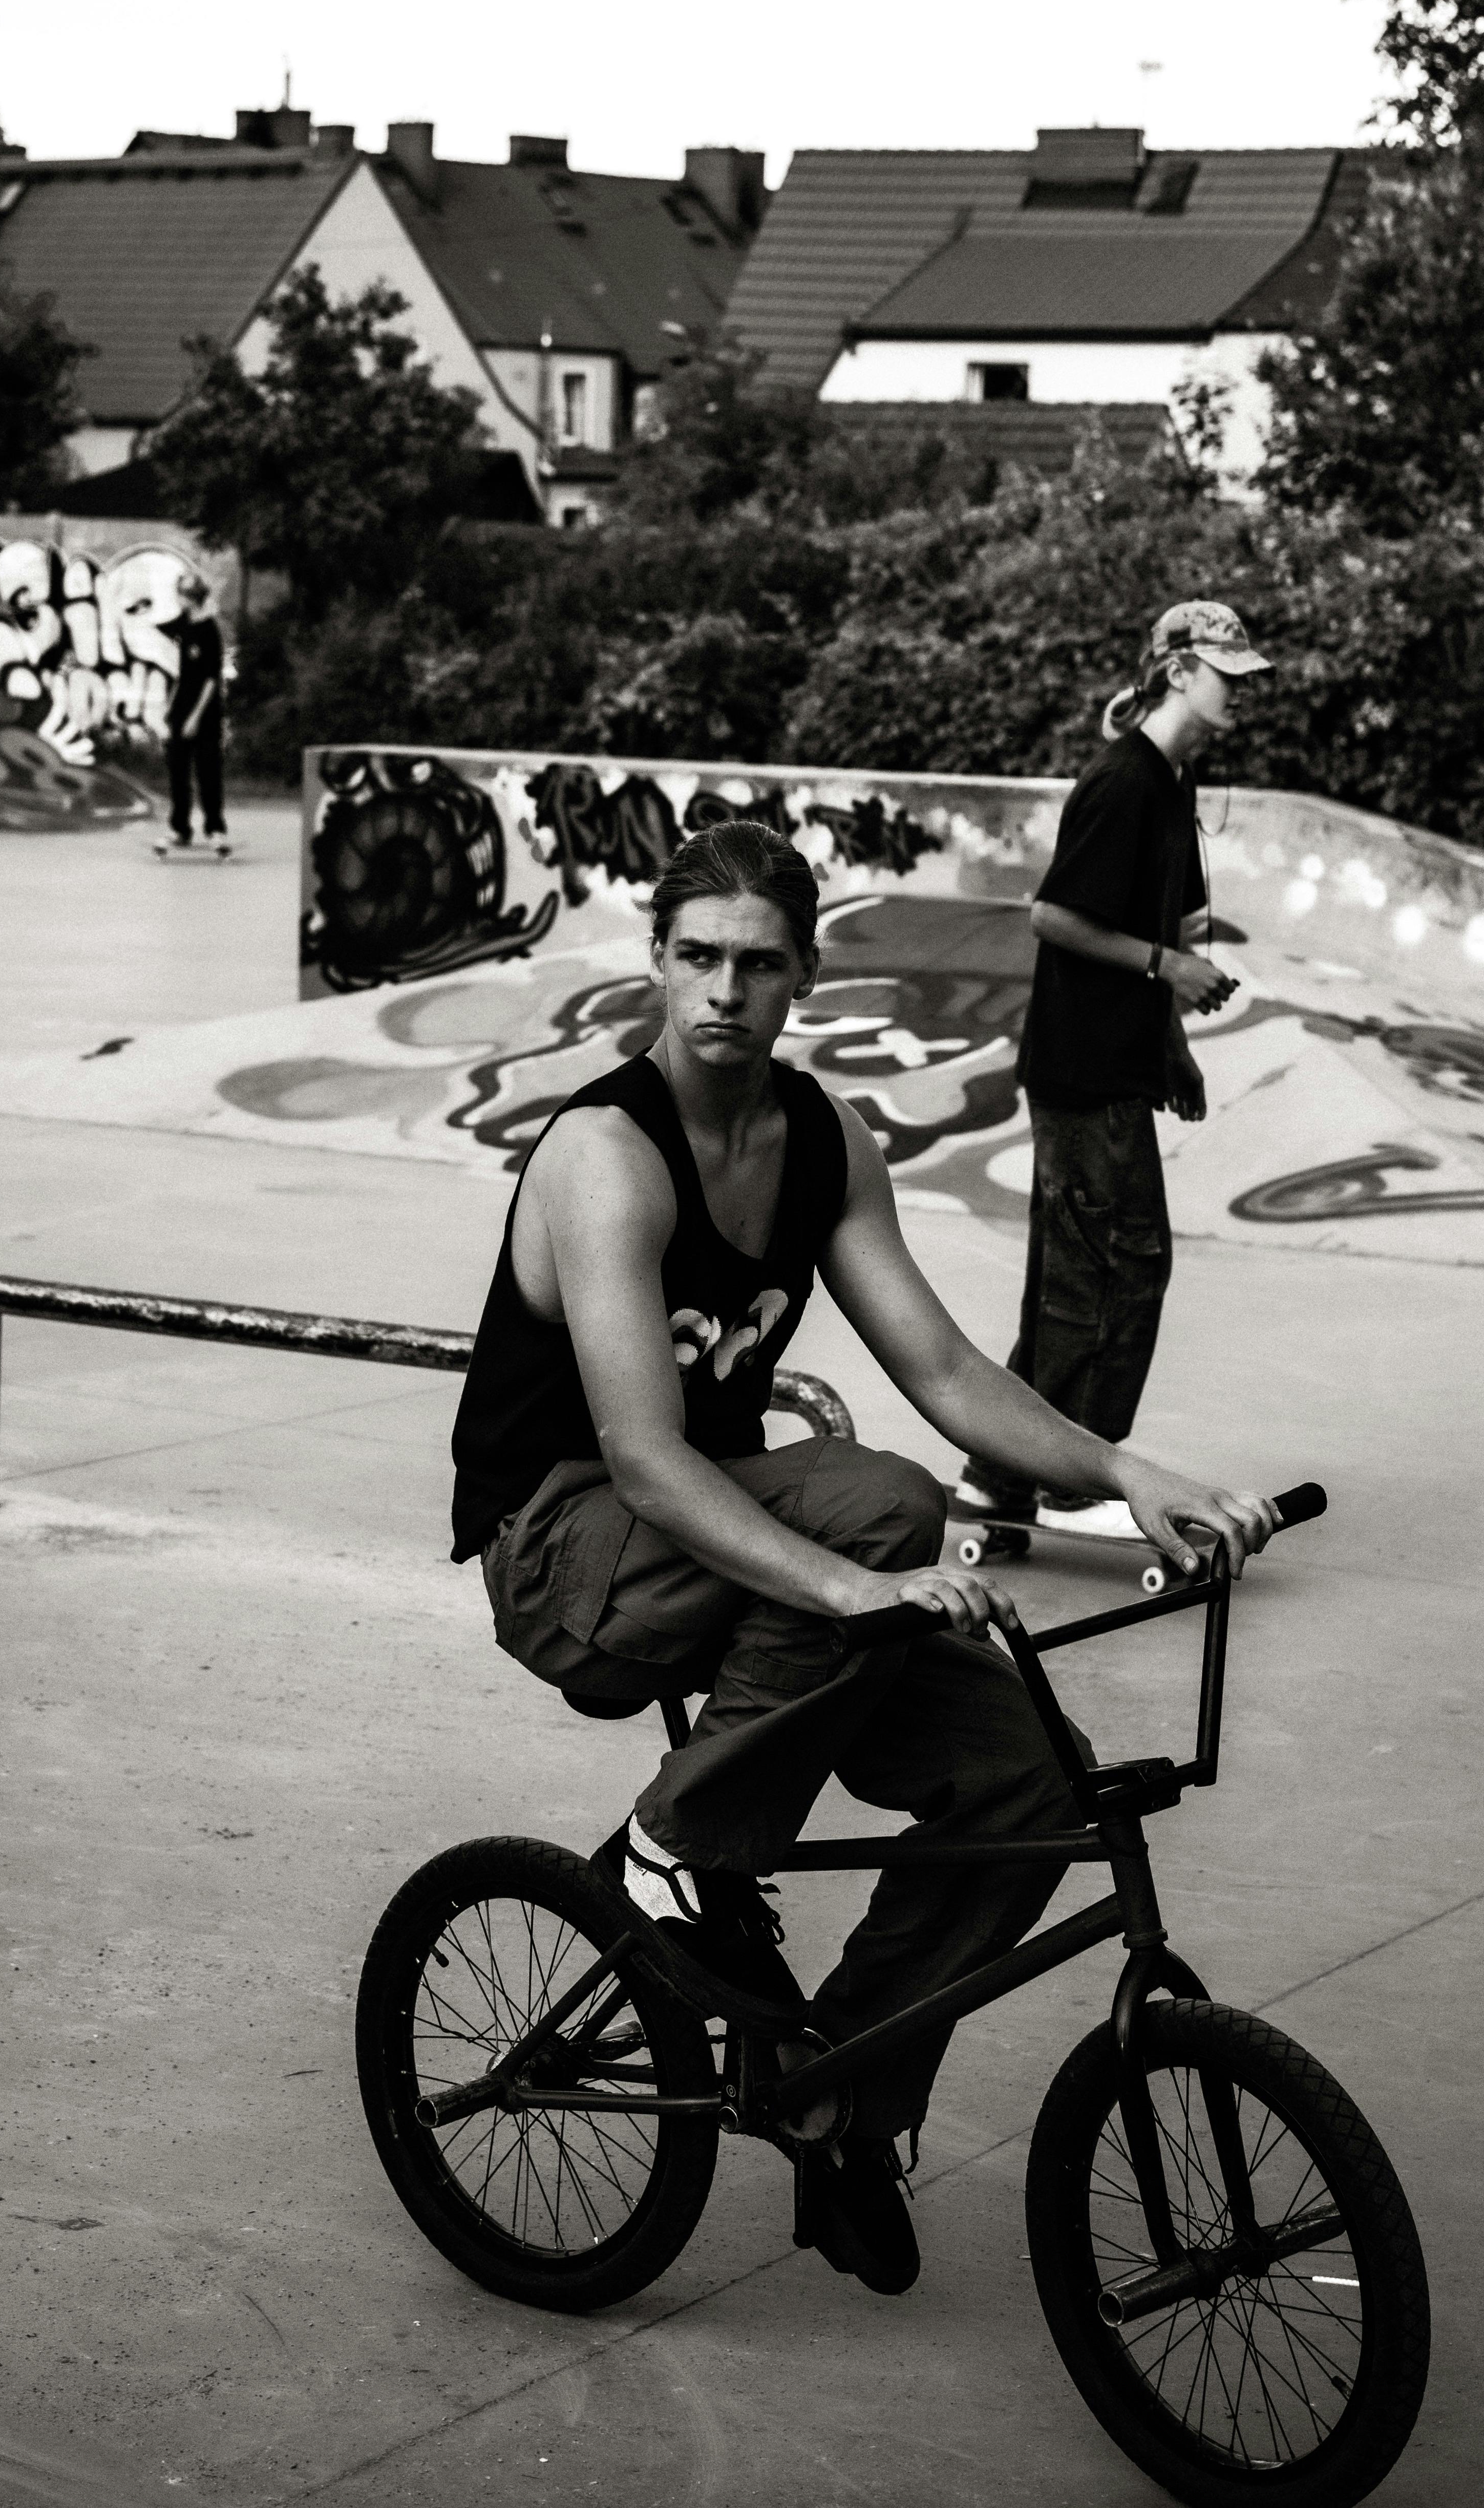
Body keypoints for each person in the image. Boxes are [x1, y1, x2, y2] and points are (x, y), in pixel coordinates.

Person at [449, 817, 1275, 2298]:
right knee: (886, 1505)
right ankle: (670, 1855)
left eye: (757, 965)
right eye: (695, 957)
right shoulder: (604, 1156)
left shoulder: (823, 1136)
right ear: (653, 959)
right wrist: (853, 1589)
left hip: (714, 1539)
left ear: (803, 977)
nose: (721, 992)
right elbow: (643, 1454)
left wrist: (1127, 1473)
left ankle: (836, 2100)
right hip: (566, 1547)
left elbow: (950, 1370)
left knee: (1028, 1783)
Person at [954, 600, 1271, 1538]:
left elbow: (1158, 920)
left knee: (1082, 1278)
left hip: (1110, 1069)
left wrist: (1169, 1045)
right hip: (1080, 1072)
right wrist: (1167, 968)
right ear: (1177, 672)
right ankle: (1070, 1478)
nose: (1241, 697)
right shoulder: (1124, 781)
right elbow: (1052, 916)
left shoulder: (1170, 785)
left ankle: (1001, 1477)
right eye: (1228, 677)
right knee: (1113, 1276)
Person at [161, 570, 228, 855]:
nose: (177, 599)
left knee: (208, 772)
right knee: (178, 771)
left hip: (205, 712)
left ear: (191, 598)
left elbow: (212, 679)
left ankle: (215, 829)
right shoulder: (185, 626)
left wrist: (196, 717)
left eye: (180, 594)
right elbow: (184, 674)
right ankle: (180, 829)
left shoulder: (210, 630)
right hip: (181, 708)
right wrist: (170, 706)